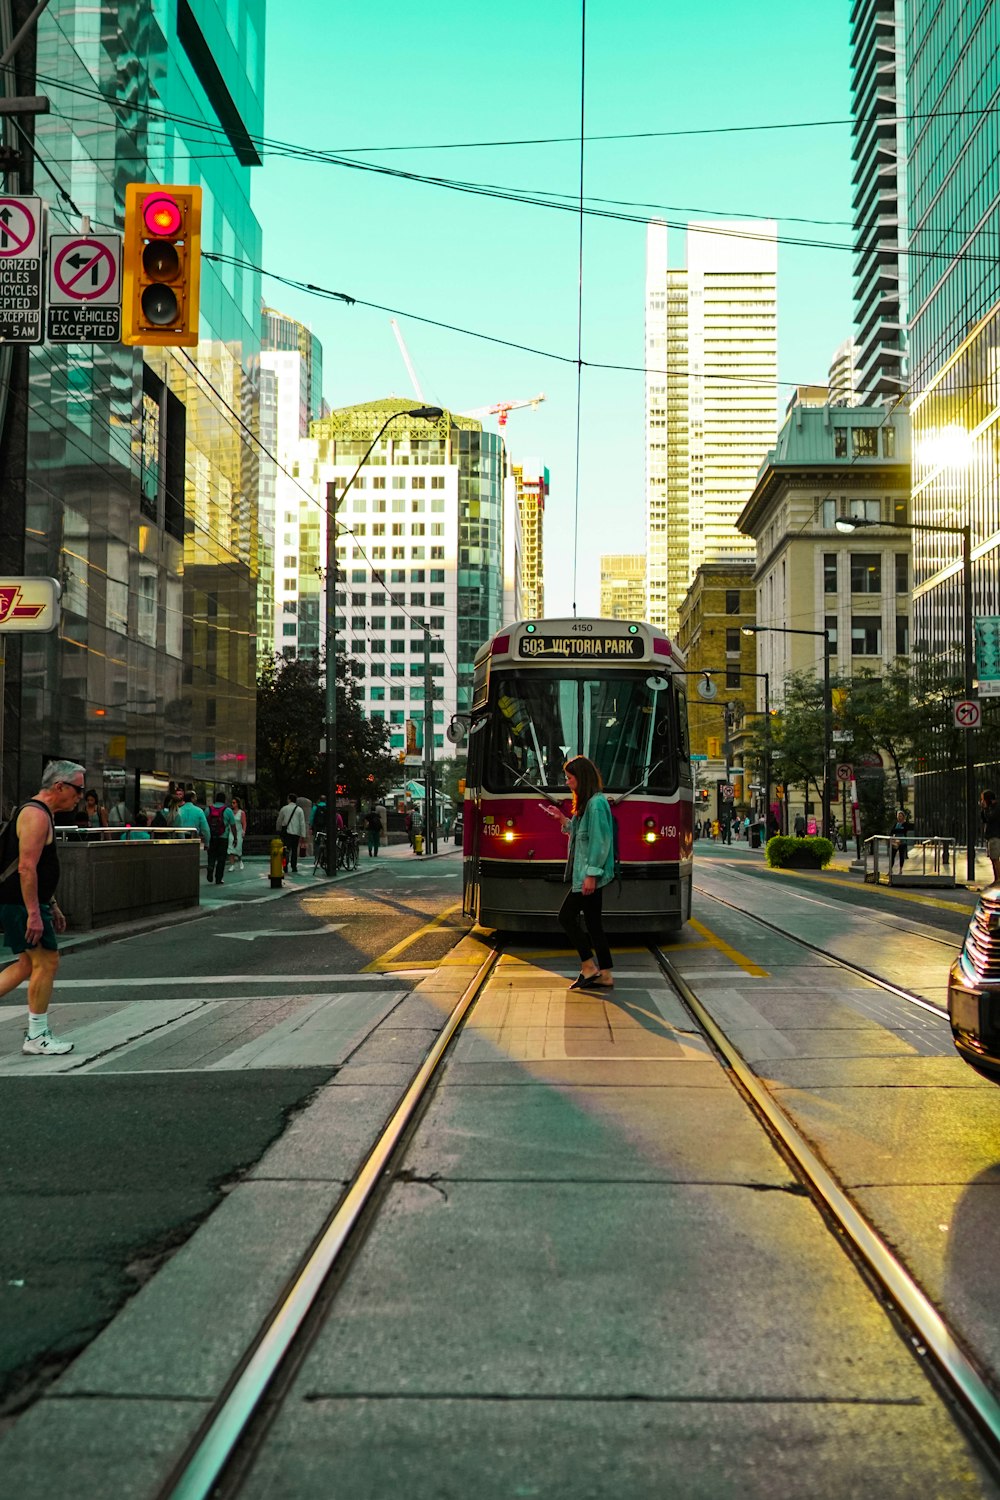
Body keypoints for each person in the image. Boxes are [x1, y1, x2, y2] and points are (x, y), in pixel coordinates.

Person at [0, 760, 85, 1056]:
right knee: (47, 963)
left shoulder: (39, 812)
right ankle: (37, 1035)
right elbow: (26, 867)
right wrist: (35, 913)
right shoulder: (36, 815)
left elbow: (38, 868)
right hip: (22, 905)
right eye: (78, 789)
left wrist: (52, 904)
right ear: (59, 786)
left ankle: (38, 1034)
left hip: (22, 903)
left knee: (27, 964)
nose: (80, 796)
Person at [544, 755, 616, 991]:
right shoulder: (588, 804)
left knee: (565, 917)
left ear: (581, 778)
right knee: (594, 924)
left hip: (588, 875)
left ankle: (588, 966)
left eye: (570, 777)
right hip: (586, 873)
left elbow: (600, 841)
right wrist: (562, 819)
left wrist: (592, 874)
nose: (567, 782)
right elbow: (580, 834)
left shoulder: (596, 804)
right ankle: (605, 974)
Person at [206, 792, 238, 884]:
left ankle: (210, 866)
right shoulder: (228, 811)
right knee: (221, 858)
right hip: (223, 837)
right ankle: (218, 878)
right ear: (224, 800)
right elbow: (233, 825)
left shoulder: (208, 809)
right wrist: (235, 838)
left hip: (211, 836)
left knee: (211, 855)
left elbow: (205, 823)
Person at [174, 790, 210, 864]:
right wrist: (207, 843)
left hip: (180, 839)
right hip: (193, 839)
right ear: (192, 798)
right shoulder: (199, 811)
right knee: (192, 862)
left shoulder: (178, 810)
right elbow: (205, 829)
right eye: (195, 797)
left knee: (181, 861)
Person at [277, 792, 307, 873]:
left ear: (289, 799)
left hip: (286, 833)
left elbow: (279, 820)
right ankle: (294, 866)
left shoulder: (284, 809)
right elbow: (302, 823)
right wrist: (303, 835)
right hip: (296, 833)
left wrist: (278, 829)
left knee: (285, 850)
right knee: (294, 851)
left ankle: (284, 865)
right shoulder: (299, 810)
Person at [980, 790, 1000, 885]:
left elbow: (990, 818)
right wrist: (984, 809)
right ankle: (996, 879)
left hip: (995, 836)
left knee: (995, 859)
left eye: (983, 799)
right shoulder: (990, 808)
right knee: (993, 858)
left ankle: (999, 879)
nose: (982, 801)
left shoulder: (996, 808)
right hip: (991, 836)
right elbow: (984, 819)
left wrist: (986, 809)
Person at [889, 806, 913, 873]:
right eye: (898, 816)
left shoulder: (905, 824)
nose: (899, 817)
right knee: (892, 856)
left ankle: (900, 870)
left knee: (901, 856)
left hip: (902, 842)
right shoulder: (896, 823)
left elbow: (903, 831)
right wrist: (898, 831)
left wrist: (897, 830)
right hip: (896, 841)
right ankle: (890, 869)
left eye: (901, 816)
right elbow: (892, 831)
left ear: (903, 817)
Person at [228, 796, 247, 872]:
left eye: (234, 802)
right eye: (232, 803)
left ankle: (240, 860)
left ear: (237, 803)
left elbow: (244, 823)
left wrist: (244, 831)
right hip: (231, 832)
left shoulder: (241, 812)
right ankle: (232, 865)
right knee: (230, 848)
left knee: (238, 848)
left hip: (239, 831)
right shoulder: (230, 812)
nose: (232, 804)